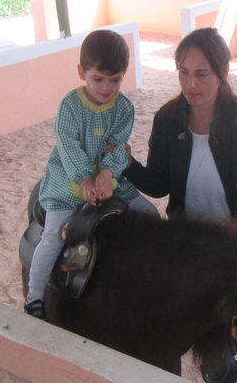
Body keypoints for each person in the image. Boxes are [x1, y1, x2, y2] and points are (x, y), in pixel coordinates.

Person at [123, 28, 237, 383]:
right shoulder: (168, 118)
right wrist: (127, 164)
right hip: (194, 252)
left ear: (223, 71)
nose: (190, 84)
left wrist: (230, 235)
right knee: (214, 354)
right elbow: (161, 184)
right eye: (183, 72)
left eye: (202, 74)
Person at [25, 29, 158, 321]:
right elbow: (68, 147)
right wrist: (85, 180)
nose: (107, 87)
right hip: (68, 183)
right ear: (82, 72)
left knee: (149, 215)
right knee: (53, 237)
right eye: (99, 79)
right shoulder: (70, 107)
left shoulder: (124, 109)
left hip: (109, 181)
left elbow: (120, 148)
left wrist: (107, 174)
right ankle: (34, 296)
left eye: (115, 80)